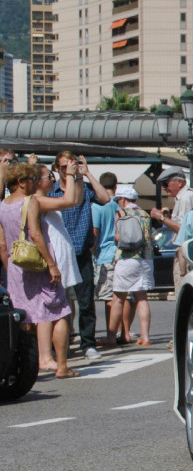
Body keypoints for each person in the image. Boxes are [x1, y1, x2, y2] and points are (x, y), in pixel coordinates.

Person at [0, 161, 78, 378]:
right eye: (31, 179)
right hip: (38, 264)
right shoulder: (30, 202)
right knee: (60, 311)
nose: (35, 182)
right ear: (21, 182)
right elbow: (36, 235)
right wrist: (51, 265)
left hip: (16, 268)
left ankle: (23, 364)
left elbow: (2, 244)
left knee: (24, 316)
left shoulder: (3, 205)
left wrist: (10, 269)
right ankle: (62, 366)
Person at [47, 151, 112, 360]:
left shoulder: (84, 187)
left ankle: (88, 344)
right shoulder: (52, 192)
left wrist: (88, 174)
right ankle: (58, 346)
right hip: (58, 254)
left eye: (73, 166)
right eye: (66, 167)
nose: (71, 170)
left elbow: (105, 198)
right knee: (58, 302)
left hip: (82, 251)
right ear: (57, 169)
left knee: (86, 302)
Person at [112, 185, 154, 346]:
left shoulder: (122, 213)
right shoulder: (145, 214)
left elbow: (118, 237)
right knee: (142, 298)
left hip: (127, 258)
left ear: (123, 199)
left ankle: (111, 336)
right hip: (146, 259)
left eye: (118, 200)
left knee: (118, 298)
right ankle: (145, 336)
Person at [150, 168, 193, 283]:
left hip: (187, 255)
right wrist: (166, 218)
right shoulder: (182, 198)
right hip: (184, 253)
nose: (163, 188)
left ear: (179, 183)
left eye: (165, 184)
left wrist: (161, 218)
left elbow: (184, 230)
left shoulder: (186, 198)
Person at [91, 172, 122, 348]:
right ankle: (119, 331)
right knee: (118, 295)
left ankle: (111, 334)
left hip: (103, 255)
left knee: (108, 297)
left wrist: (92, 250)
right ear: (115, 185)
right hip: (117, 254)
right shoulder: (116, 205)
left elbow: (95, 233)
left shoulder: (98, 207)